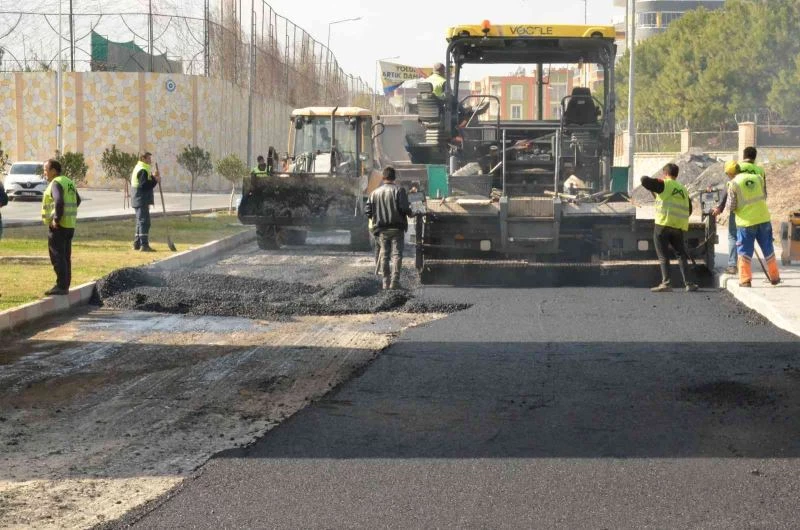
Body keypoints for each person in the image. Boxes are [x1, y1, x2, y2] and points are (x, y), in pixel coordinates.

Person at [640, 163, 699, 292]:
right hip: (678, 227)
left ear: (665, 174)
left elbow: (644, 179)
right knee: (681, 255)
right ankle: (689, 284)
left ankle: (666, 283)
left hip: (662, 225)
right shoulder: (683, 189)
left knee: (663, 256)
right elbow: (689, 209)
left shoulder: (664, 184)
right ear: (676, 174)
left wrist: (654, 185)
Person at [724, 160, 780, 287]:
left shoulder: (733, 184)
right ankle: (775, 276)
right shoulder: (758, 178)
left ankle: (745, 280)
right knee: (768, 248)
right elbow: (764, 195)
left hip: (746, 223)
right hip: (763, 219)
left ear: (730, 174)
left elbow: (730, 206)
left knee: (744, 252)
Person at [712, 146, 766, 274]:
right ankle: (745, 267)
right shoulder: (760, 171)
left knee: (733, 236)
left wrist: (720, 207)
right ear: (755, 156)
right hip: (757, 211)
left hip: (739, 210)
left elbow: (729, 188)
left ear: (743, 156)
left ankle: (732, 265)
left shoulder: (738, 168)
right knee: (749, 238)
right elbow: (764, 193)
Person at [365, 166, 412, 290]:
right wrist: (411, 212)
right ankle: (395, 282)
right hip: (397, 229)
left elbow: (368, 211)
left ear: (383, 177)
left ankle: (385, 282)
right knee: (397, 255)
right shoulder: (399, 190)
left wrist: (376, 218)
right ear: (394, 177)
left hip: (381, 230)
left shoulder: (374, 193)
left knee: (384, 255)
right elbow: (405, 209)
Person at [41, 159, 80, 295]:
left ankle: (61, 286)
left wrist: (56, 219)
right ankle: (65, 285)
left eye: (46, 170)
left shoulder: (56, 183)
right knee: (65, 256)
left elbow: (59, 201)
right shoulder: (68, 182)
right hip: (69, 225)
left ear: (53, 171)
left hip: (59, 226)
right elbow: (78, 200)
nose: (44, 172)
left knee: (57, 256)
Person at [131, 152, 160, 252]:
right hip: (141, 199)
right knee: (145, 222)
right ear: (143, 158)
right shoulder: (142, 170)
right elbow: (144, 185)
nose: (150, 161)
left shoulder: (141, 168)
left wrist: (153, 177)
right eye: (148, 159)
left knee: (140, 222)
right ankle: (144, 245)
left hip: (138, 199)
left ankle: (137, 243)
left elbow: (146, 181)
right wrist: (155, 181)